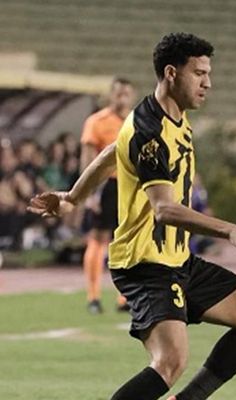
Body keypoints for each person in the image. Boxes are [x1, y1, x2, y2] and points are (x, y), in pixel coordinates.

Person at [29, 32, 236, 400]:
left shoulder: (172, 115)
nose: (208, 83)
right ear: (171, 73)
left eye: (208, 74)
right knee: (170, 361)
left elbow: (113, 151)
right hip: (145, 263)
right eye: (199, 74)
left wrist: (73, 196)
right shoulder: (150, 131)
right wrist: (229, 230)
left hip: (177, 259)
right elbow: (163, 209)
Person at [79, 77, 135, 314]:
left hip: (131, 185)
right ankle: (93, 296)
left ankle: (125, 297)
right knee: (99, 237)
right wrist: (88, 191)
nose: (122, 97)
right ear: (110, 95)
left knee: (127, 239)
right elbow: (88, 158)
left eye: (126, 93)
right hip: (106, 185)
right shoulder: (97, 121)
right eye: (119, 93)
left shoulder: (137, 120)